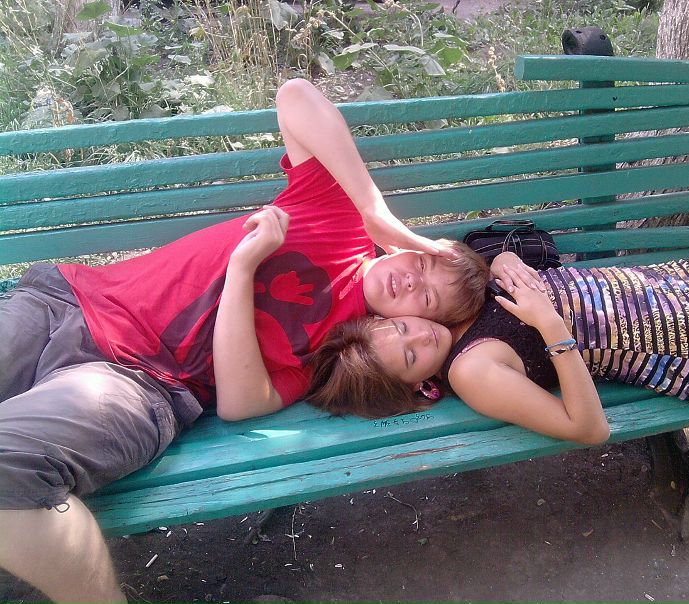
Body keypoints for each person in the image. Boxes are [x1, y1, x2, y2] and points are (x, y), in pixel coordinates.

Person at [0, 79, 488, 603]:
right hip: (68, 304)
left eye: (427, 300)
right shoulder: (341, 218)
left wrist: (243, 267)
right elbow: (295, 96)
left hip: (143, 382)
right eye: (423, 262)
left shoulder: (343, 351)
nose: (412, 280)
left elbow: (240, 403)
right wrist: (375, 210)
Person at [308, 223, 689, 445]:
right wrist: (550, 325)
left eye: (402, 327)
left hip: (665, 286)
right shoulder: (472, 370)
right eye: (412, 357)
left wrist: (501, 259)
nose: (422, 336)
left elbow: (481, 263)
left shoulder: (450, 308)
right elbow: (588, 430)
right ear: (421, 386)